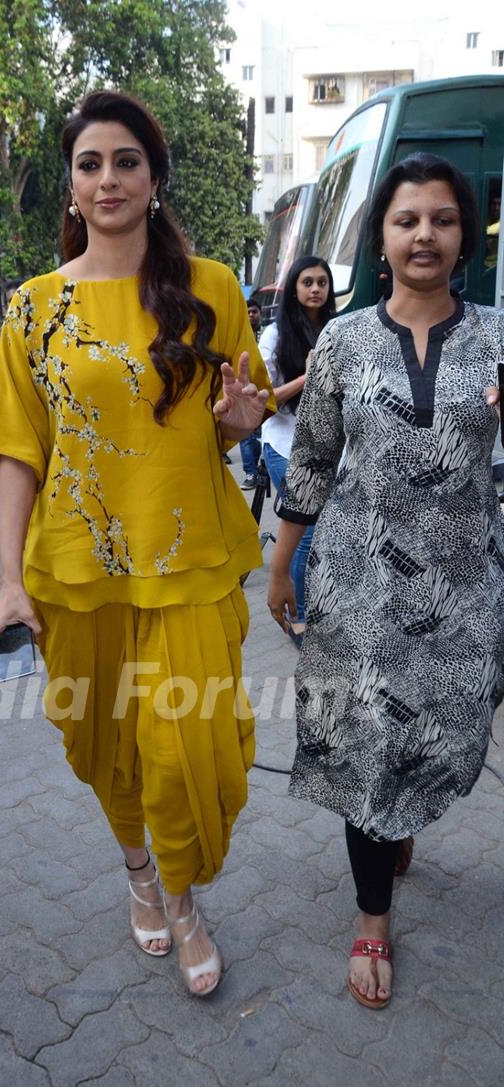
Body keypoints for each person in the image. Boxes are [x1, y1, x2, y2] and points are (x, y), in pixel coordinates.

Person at [0, 90, 275, 997]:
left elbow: (230, 420)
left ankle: (183, 899)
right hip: (77, 571)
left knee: (191, 751)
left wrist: (241, 421)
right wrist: (6, 584)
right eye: (90, 163)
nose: (108, 178)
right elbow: (21, 453)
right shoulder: (32, 308)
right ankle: (144, 878)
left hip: (189, 566)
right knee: (110, 747)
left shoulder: (212, 287)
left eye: (126, 161)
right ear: (70, 186)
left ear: (153, 177)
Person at [267, 153, 504, 1010]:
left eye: (443, 218)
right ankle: (372, 913)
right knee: (367, 753)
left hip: (467, 589)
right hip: (359, 591)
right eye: (407, 220)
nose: (425, 235)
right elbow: (316, 457)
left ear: (466, 235)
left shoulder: (497, 337)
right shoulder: (342, 340)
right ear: (382, 238)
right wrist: (280, 560)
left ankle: (399, 817)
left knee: (448, 736)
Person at [260, 256, 337, 646]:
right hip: (284, 444)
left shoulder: (338, 331)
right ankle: (301, 620)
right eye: (307, 281)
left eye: (322, 282)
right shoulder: (275, 335)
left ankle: (319, 611)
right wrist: (309, 376)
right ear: (294, 288)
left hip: (329, 448)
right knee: (304, 531)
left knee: (323, 532)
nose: (316, 289)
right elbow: (264, 399)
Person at [239, 299, 264, 490]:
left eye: (254, 312)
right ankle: (250, 473)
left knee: (261, 435)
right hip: (244, 392)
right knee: (246, 435)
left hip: (264, 393)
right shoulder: (239, 335)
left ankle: (262, 470)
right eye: (247, 312)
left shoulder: (269, 335)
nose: (251, 315)